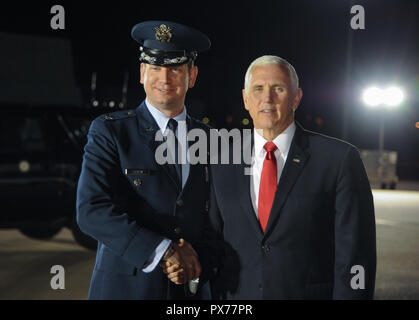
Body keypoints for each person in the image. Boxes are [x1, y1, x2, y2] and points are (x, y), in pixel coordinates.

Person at [208, 55, 377, 299]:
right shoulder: (221, 161)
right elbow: (214, 244)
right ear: (246, 98)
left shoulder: (339, 159)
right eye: (258, 89)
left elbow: (355, 256)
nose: (267, 98)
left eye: (278, 88)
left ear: (296, 97)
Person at [76, 20, 217, 299]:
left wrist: (200, 259)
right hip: (126, 289)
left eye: (175, 68)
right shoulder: (111, 131)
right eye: (155, 68)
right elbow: (91, 211)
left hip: (188, 291)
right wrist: (164, 250)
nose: (164, 79)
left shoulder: (211, 138)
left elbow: (218, 217)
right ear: (142, 72)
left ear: (193, 75)